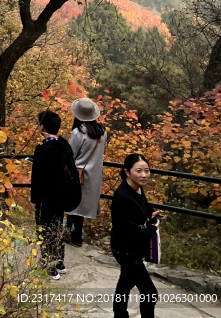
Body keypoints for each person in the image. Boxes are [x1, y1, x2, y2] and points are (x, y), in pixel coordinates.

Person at [111, 154, 162, 318]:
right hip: (127, 251)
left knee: (125, 284)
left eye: (147, 171)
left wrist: (151, 215)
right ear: (127, 172)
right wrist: (154, 227)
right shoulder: (123, 197)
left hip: (128, 247)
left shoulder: (137, 187)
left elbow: (140, 211)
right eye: (138, 171)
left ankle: (119, 315)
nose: (144, 175)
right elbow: (134, 232)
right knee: (150, 293)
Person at [30, 110, 76, 280]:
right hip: (62, 195)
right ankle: (59, 262)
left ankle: (49, 266)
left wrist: (34, 200)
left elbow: (37, 178)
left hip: (46, 197)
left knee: (44, 228)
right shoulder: (65, 145)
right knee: (57, 226)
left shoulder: (42, 149)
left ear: (42, 127)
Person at [66, 97, 108, 245]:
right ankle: (75, 234)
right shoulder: (102, 131)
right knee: (81, 205)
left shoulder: (78, 132)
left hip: (78, 173)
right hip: (94, 175)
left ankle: (72, 233)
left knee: (74, 203)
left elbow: (71, 154)